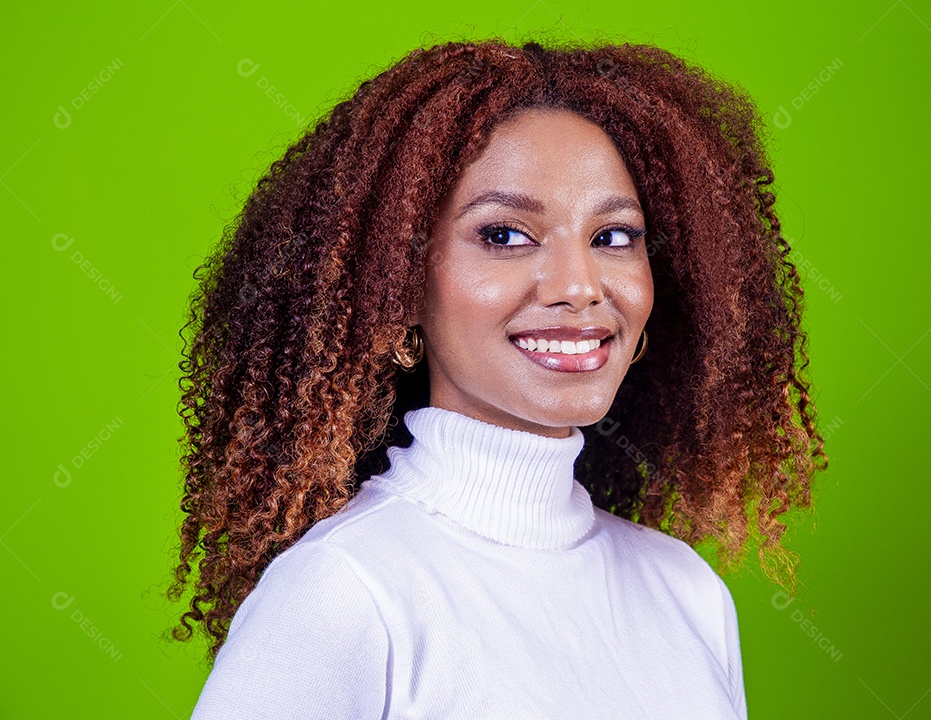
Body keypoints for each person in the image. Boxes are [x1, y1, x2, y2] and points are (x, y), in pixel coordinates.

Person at [168, 36, 827, 719]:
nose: (579, 286)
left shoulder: (686, 592)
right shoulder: (346, 591)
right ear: (399, 288)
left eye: (613, 238)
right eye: (505, 236)